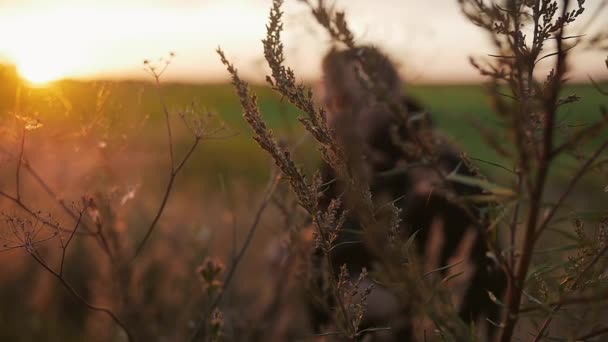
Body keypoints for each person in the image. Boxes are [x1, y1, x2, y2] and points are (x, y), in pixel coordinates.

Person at [311, 45, 506, 341]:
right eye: (326, 92)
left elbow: (482, 278)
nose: (329, 106)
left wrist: (397, 301)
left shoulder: (437, 169)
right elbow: (329, 238)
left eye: (345, 99)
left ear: (386, 99)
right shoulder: (340, 159)